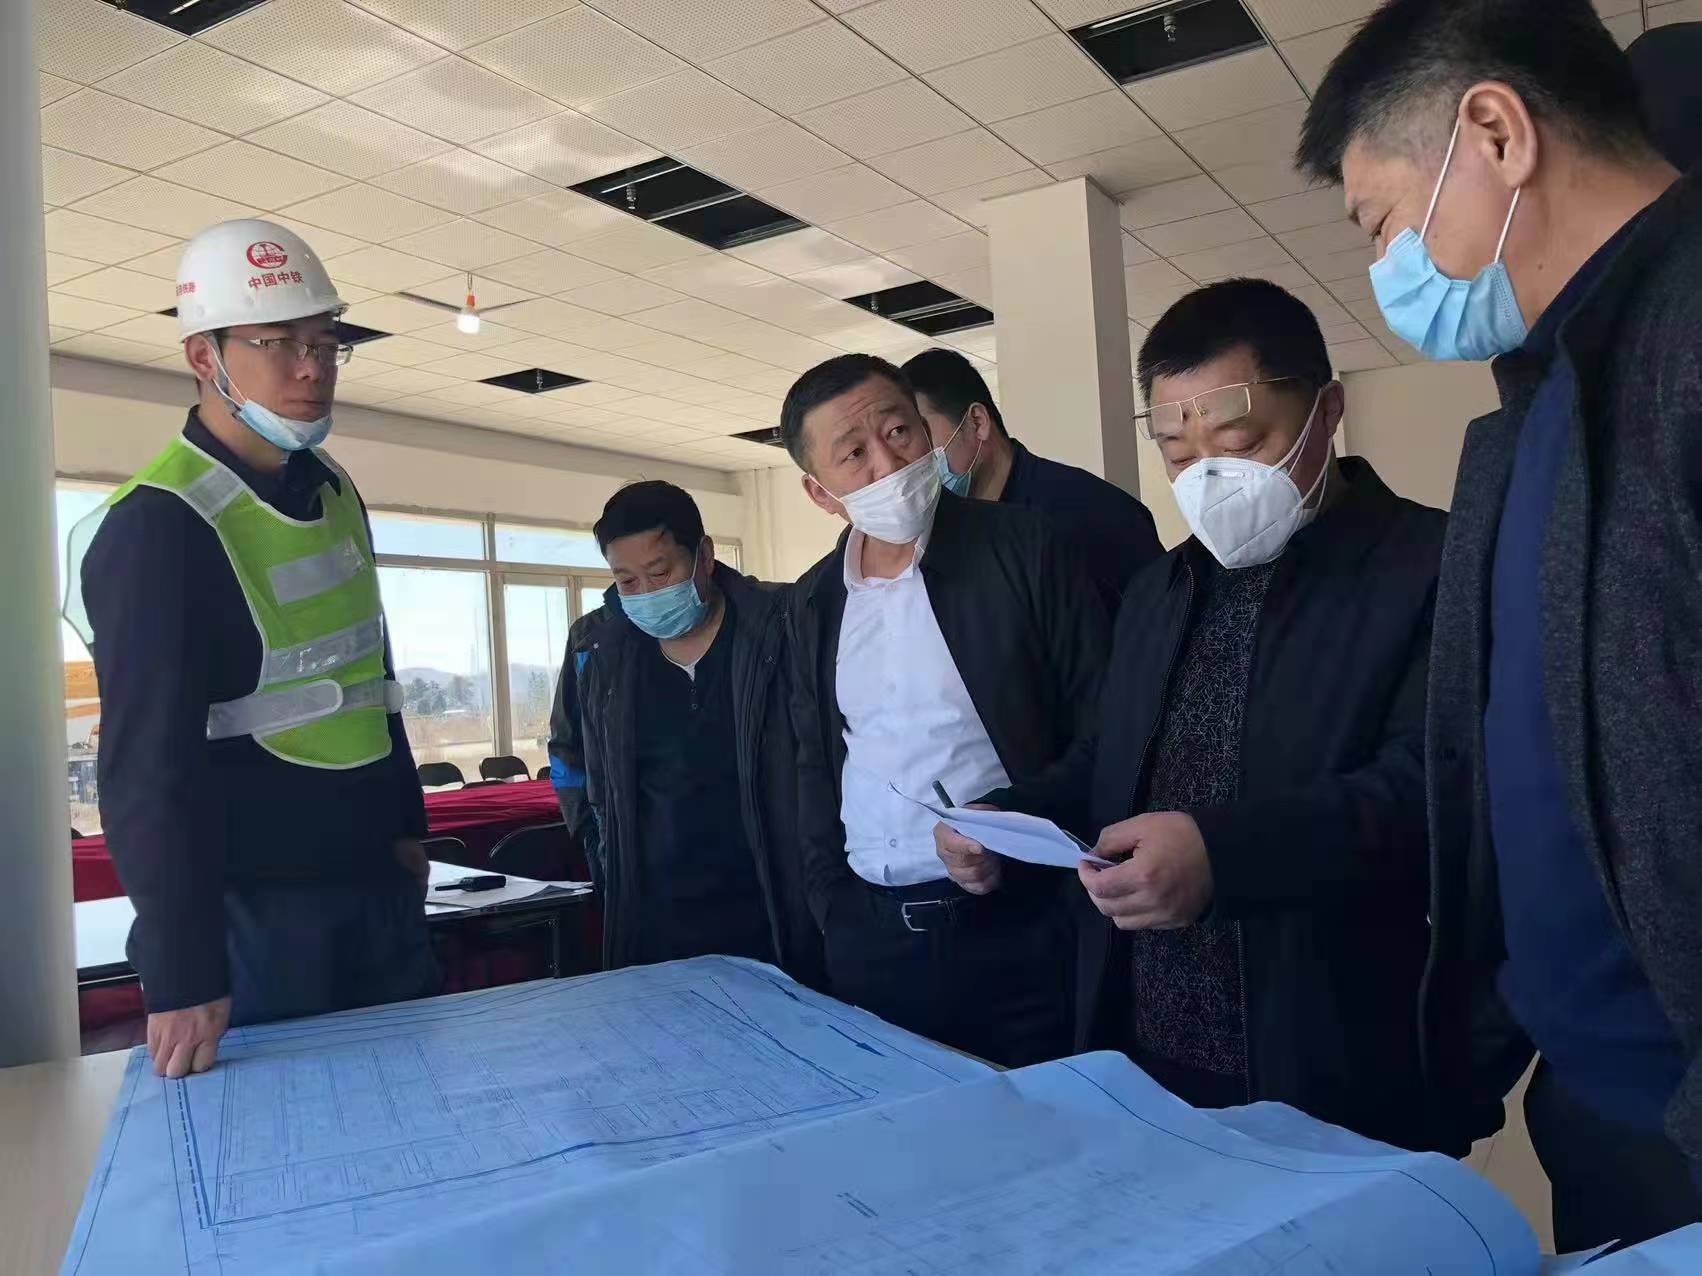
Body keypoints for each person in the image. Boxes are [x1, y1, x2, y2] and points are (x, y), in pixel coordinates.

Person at [1301, 0, 1702, 1248]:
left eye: (1379, 221)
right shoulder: (1531, 410)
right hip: (1589, 1097)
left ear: (1495, 132)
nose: (1385, 270)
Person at [935, 280, 1444, 1148]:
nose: (1209, 476)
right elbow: (1112, 754)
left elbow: (1435, 789)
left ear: (1327, 412)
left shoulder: (1431, 567)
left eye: (1240, 441)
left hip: (1330, 1046)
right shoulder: (1161, 587)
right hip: (1150, 1040)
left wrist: (1225, 855)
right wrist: (1009, 817)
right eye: (1177, 452)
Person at [65, 219, 437, 1079]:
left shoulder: (334, 490)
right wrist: (183, 968)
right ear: (205, 356)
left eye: (326, 343)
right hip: (254, 917)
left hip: (375, 886)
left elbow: (369, 676)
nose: (311, 368)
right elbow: (144, 767)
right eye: (278, 344)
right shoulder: (157, 525)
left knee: (413, 1110)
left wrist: (406, 829)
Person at [783, 354, 1109, 1067]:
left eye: (899, 431)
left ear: (927, 432)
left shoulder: (1026, 549)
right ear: (819, 491)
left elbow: (1107, 729)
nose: (888, 463)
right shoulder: (813, 602)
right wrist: (830, 905)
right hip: (870, 938)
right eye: (854, 454)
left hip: (1015, 929)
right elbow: (815, 762)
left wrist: (1010, 817)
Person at [548, 481, 821, 984]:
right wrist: (598, 842)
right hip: (654, 915)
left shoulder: (782, 624)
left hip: (776, 904)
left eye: (661, 573)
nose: (647, 593)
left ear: (705, 556)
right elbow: (569, 754)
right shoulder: (597, 646)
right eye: (627, 581)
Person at [902, 347, 1162, 612]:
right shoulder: (939, 539)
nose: (913, 460)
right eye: (901, 438)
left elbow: (1161, 623)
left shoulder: (1091, 512)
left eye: (924, 433)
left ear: (977, 423)